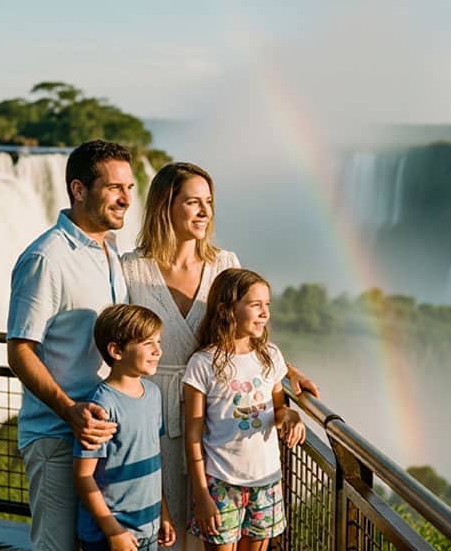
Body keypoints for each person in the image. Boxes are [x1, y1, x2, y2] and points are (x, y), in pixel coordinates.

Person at [120, 162, 319, 548]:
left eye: (208, 202)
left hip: (216, 416)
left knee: (208, 527)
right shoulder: (133, 269)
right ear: (165, 205)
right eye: (192, 202)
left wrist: (287, 370)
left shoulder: (224, 263)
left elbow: (247, 335)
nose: (205, 212)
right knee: (160, 526)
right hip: (152, 409)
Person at [7, 139, 135, 551]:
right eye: (115, 187)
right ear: (79, 190)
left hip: (103, 436)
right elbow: (20, 350)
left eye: (130, 188)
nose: (126, 198)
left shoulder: (110, 250)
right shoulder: (47, 258)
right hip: (58, 436)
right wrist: (69, 410)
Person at [183, 268, 306, 551]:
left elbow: (279, 409)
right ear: (226, 309)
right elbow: (193, 435)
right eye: (255, 305)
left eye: (267, 306)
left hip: (267, 480)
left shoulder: (271, 356)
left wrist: (292, 416)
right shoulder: (203, 364)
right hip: (221, 483)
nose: (265, 313)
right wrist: (201, 493)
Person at [74, 304, 177, 551]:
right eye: (147, 343)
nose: (157, 351)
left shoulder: (153, 394)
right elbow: (83, 475)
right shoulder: (101, 405)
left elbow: (152, 460)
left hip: (148, 527)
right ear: (116, 350)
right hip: (110, 535)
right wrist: (113, 530)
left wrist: (163, 513)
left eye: (158, 342)